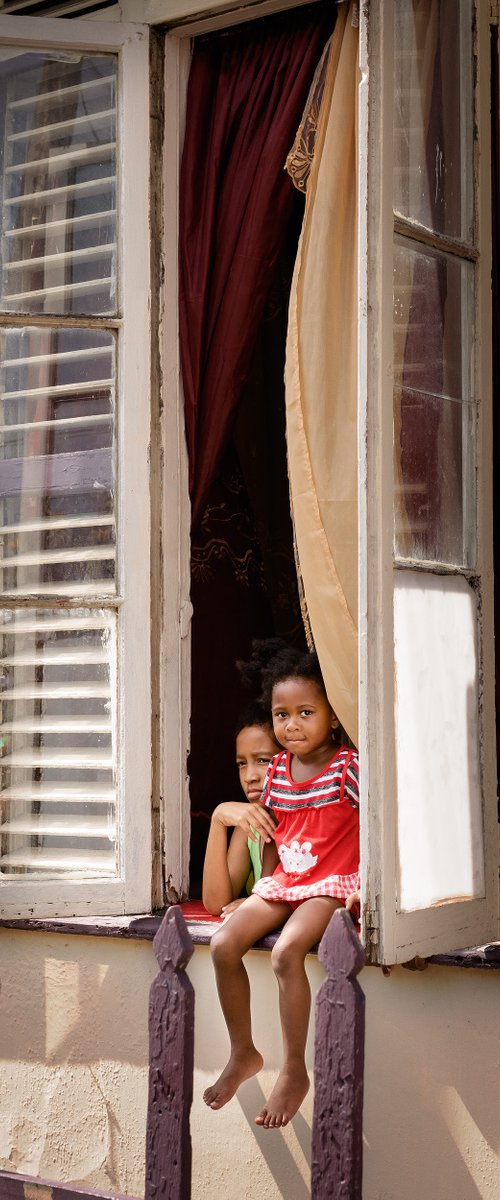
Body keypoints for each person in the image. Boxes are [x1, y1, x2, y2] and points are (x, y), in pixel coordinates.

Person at [203, 644, 359, 1129]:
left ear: (333, 716)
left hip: (331, 884)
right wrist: (256, 893)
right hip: (287, 880)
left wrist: (372, 888)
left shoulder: (349, 768)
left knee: (286, 952)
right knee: (224, 943)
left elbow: (384, 828)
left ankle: (293, 1069)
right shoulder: (274, 774)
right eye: (281, 714)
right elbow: (272, 840)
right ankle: (243, 1050)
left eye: (305, 713)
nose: (292, 725)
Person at [202, 702, 280, 917]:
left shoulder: (307, 822)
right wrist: (218, 820)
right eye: (242, 764)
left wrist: (253, 902)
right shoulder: (249, 826)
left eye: (263, 760)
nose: (249, 777)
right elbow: (217, 904)